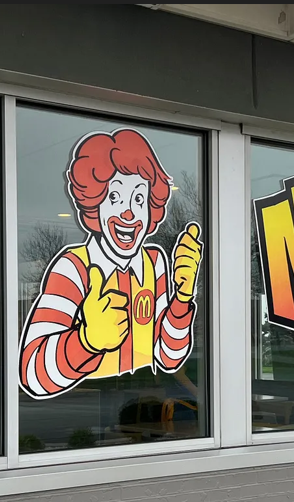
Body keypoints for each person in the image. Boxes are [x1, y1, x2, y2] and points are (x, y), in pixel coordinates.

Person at [20, 129, 203, 400]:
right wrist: (86, 341)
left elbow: (169, 357)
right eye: (115, 198)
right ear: (95, 205)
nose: (128, 212)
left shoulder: (155, 264)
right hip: (88, 408)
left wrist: (183, 298)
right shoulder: (73, 268)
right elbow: (34, 374)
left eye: (139, 199)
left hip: (145, 405)